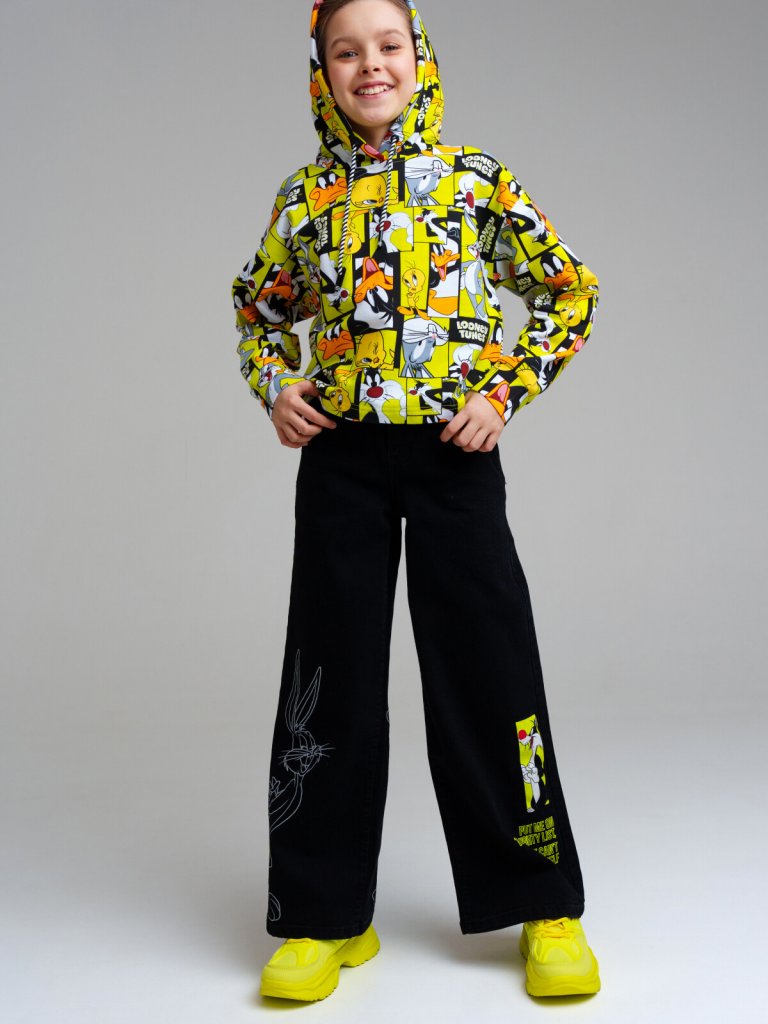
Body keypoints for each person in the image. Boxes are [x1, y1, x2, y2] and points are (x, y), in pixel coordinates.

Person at [231, 0, 601, 1003]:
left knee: (490, 667)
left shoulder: (476, 180)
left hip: (451, 454)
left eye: (388, 46)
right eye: (345, 52)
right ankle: (321, 917)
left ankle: (544, 902)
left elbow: (567, 292)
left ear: (420, 56)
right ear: (322, 74)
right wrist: (276, 386)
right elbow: (257, 312)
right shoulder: (305, 198)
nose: (370, 66)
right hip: (343, 459)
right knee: (329, 677)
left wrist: (502, 394)